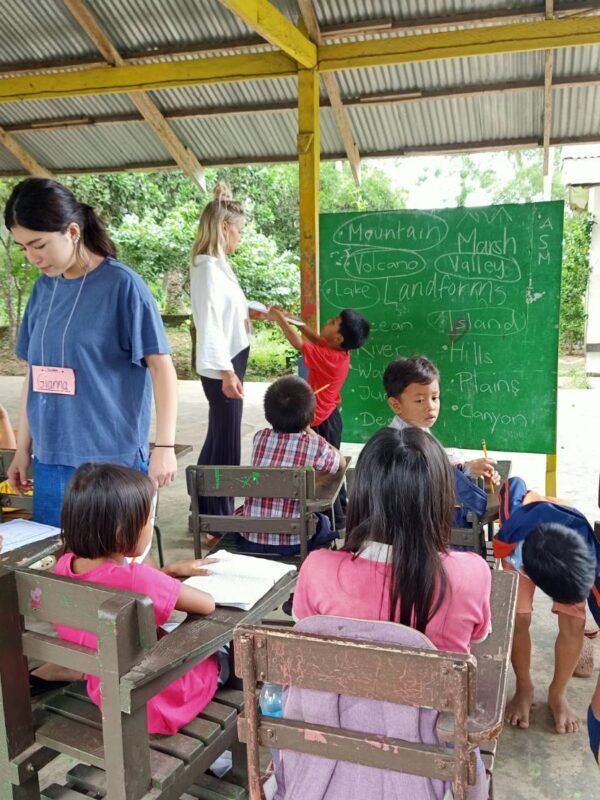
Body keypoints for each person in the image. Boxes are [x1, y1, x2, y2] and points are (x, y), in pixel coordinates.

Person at [4, 178, 177, 528]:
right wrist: (23, 449)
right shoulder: (42, 290)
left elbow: (162, 369)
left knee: (108, 572)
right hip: (51, 459)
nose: (32, 257)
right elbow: (34, 377)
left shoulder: (123, 286)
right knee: (55, 570)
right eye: (23, 248)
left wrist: (165, 447)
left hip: (109, 461)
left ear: (71, 231)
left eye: (38, 244)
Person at [52, 463, 220, 735]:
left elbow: (109, 580)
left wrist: (170, 571)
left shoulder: (63, 568)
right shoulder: (136, 579)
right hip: (159, 696)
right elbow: (206, 604)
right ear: (121, 532)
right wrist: (168, 576)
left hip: (106, 691)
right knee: (225, 650)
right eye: (147, 520)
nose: (149, 527)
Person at [293, 426, 491, 655]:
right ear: (440, 497)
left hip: (345, 690)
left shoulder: (318, 569)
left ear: (363, 492)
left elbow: (305, 635)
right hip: (433, 690)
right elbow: (477, 636)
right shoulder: (472, 573)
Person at [493, 479, 600, 734]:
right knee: (517, 619)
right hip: (521, 546)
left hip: (563, 546)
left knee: (574, 623)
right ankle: (524, 687)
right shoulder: (511, 532)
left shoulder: (586, 556)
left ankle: (557, 694)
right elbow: (512, 484)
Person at [190, 181, 268, 518]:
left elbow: (224, 308)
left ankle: (208, 510)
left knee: (221, 435)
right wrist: (226, 372)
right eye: (238, 230)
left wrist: (247, 309)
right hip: (222, 364)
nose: (241, 237)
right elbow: (208, 321)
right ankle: (215, 516)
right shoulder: (207, 267)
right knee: (225, 442)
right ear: (224, 228)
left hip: (228, 360)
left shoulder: (217, 264)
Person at [269, 308, 370, 529]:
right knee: (333, 470)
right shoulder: (337, 350)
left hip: (322, 422)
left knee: (325, 476)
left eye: (333, 321)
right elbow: (316, 339)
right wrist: (298, 322)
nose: (327, 321)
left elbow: (299, 344)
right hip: (331, 417)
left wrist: (279, 321)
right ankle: (342, 512)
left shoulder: (330, 358)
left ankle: (330, 521)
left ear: (339, 337)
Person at [237, 376, 344, 556]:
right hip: (295, 541)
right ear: (311, 416)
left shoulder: (260, 438)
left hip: (250, 539)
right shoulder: (314, 446)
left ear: (268, 414)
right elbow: (339, 463)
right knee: (323, 521)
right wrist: (312, 432)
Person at [382, 355, 499, 482]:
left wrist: (471, 468)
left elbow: (432, 465)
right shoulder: (398, 444)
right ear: (396, 405)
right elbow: (419, 479)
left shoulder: (420, 429)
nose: (431, 407)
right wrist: (465, 470)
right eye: (420, 400)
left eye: (434, 398)